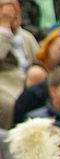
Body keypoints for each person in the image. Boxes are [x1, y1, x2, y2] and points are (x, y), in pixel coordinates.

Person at [0, 0, 39, 128]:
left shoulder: (26, 37)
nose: (12, 16)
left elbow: (39, 62)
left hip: (28, 84)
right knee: (8, 104)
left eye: (16, 13)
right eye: (8, 12)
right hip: (5, 86)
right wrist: (4, 28)